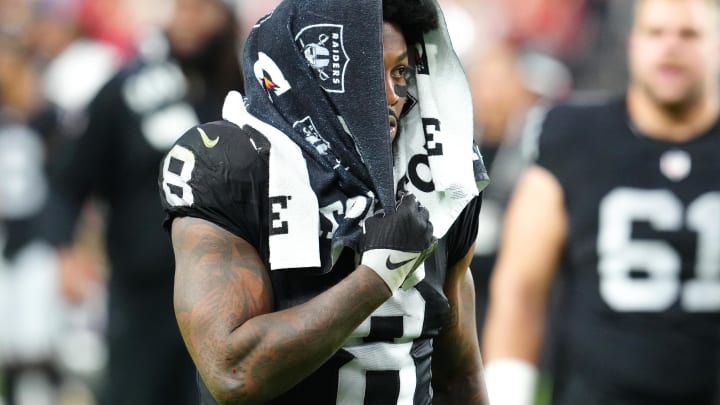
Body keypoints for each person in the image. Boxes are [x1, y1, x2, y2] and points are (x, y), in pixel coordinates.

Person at [158, 0, 490, 403]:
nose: (392, 95)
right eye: (369, 74)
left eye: (400, 71)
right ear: (309, 75)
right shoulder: (232, 163)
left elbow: (460, 375)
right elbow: (232, 371)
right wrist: (379, 276)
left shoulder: (438, 171)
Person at [482, 0, 720, 404]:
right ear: (633, 43)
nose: (670, 47)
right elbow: (521, 287)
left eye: (689, 34)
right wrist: (508, 394)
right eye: (656, 33)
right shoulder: (575, 135)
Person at [38, 0, 245, 404]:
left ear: (225, 16)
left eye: (202, 10)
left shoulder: (247, 93)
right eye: (182, 9)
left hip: (228, 295)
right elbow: (68, 177)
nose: (189, 22)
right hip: (143, 296)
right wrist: (65, 254)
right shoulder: (129, 89)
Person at [466, 43, 571, 342]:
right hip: (465, 267)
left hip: (512, 265)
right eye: (483, 83)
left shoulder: (536, 144)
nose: (491, 95)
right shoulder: (452, 140)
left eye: (500, 83)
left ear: (518, 87)